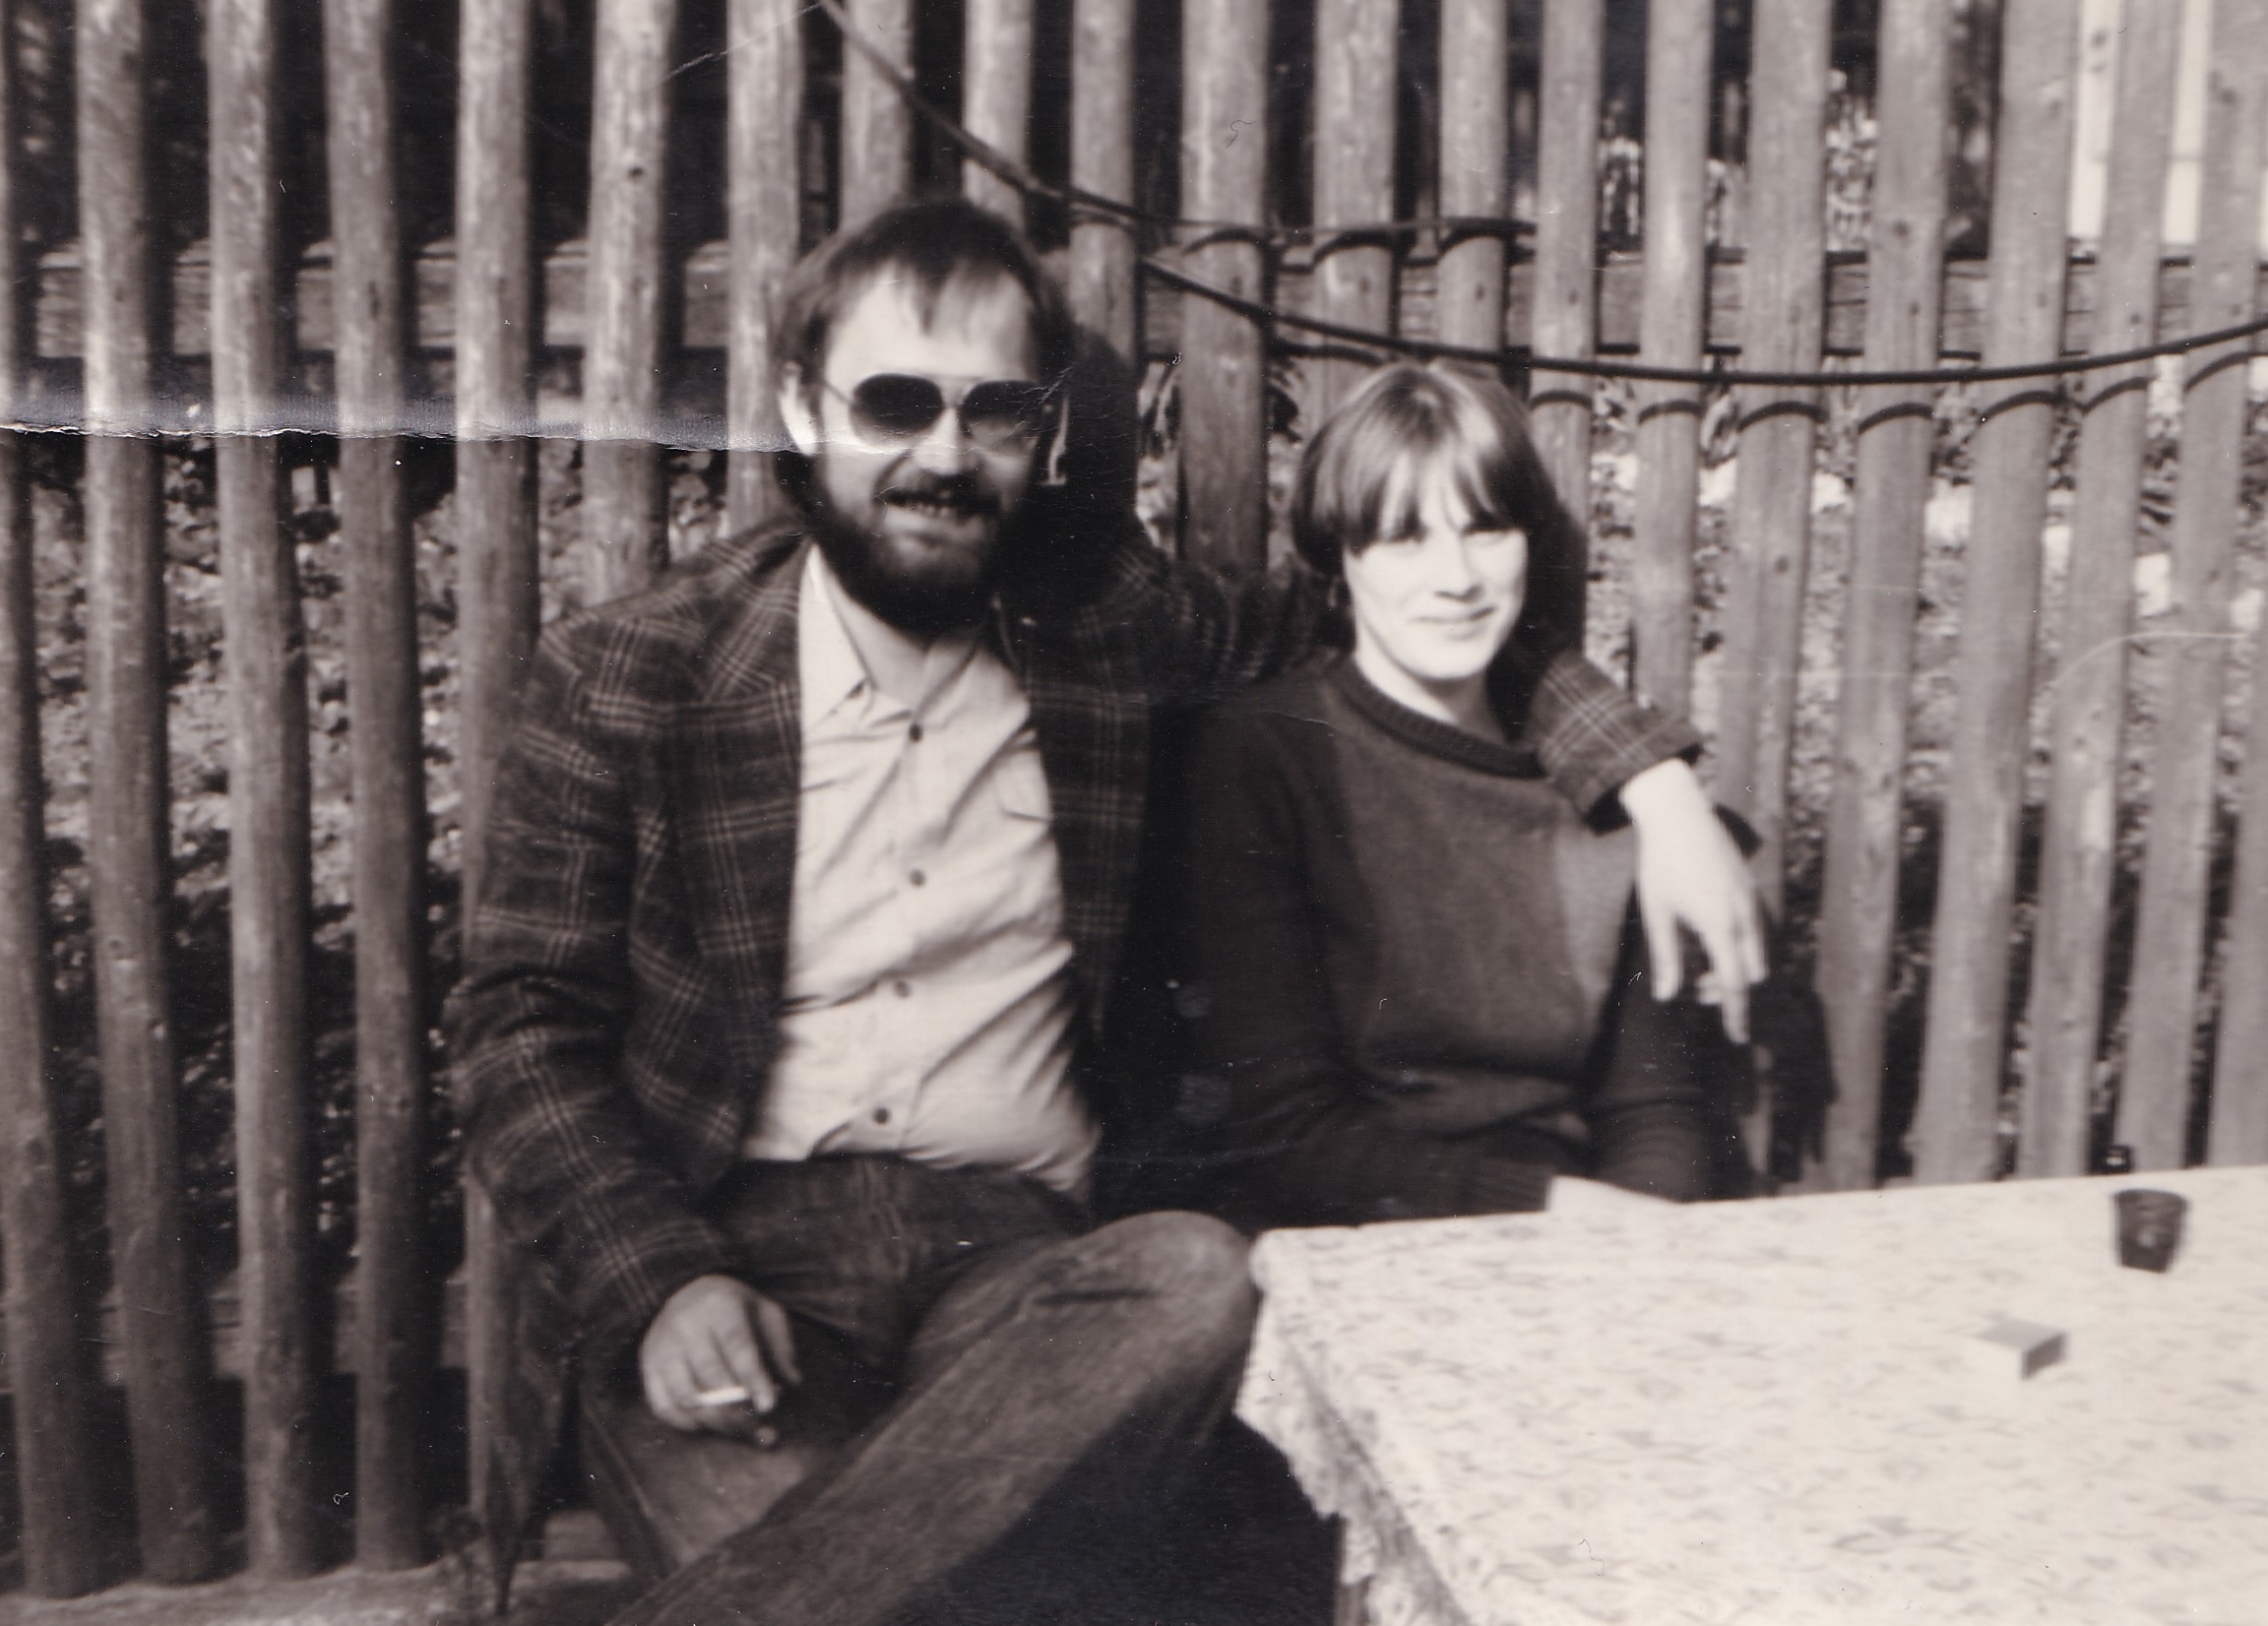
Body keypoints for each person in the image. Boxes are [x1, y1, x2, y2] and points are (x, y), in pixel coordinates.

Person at [446, 200, 1765, 1625]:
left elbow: (1399, 601)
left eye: (995, 411)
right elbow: (520, 1031)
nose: (946, 455)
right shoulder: (637, 671)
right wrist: (658, 1283)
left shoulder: (1100, 628)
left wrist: (1649, 785)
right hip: (736, 1262)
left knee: (1198, 1274)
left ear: (1045, 436)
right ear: (801, 411)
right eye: (895, 404)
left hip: (1033, 1276)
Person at [1185, 364, 1746, 1232]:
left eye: (1485, 528)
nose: (1456, 577)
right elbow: (1284, 1129)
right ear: (1340, 556)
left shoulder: (1614, 791)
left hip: (1586, 1242)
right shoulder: (1265, 758)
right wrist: (1558, 1214)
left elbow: (1653, 1108)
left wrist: (1636, 1242)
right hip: (1352, 1234)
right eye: (1405, 537)